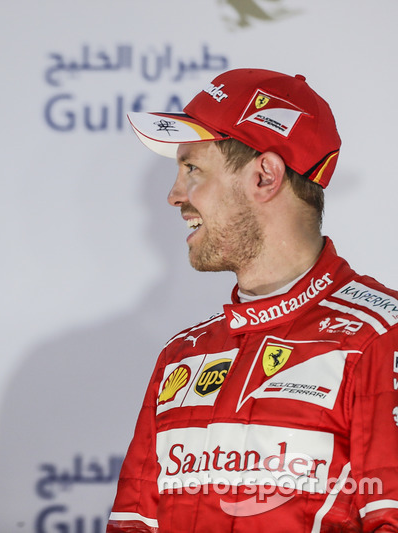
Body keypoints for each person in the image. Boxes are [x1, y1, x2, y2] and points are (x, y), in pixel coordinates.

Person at [106, 68, 398, 531]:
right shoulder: (182, 355)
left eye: (193, 169)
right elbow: (133, 525)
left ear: (265, 175)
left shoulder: (380, 337)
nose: (174, 195)